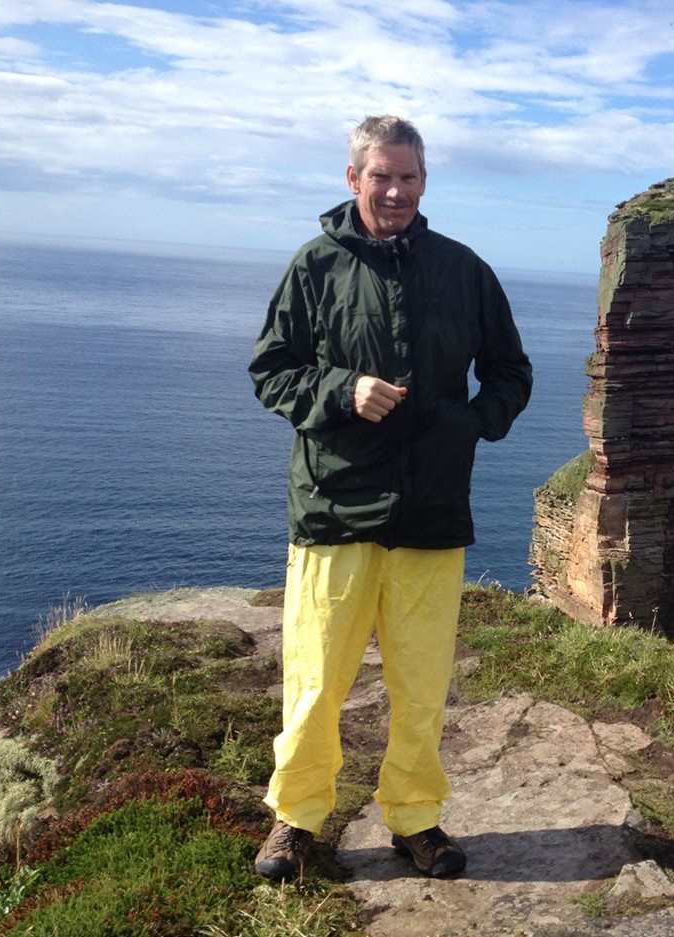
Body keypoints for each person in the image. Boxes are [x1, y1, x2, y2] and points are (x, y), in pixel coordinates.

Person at [248, 115, 532, 883]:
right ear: (353, 179)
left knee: (421, 685)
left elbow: (511, 371)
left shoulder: (464, 270)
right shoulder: (315, 266)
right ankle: (296, 821)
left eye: (409, 176)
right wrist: (343, 388)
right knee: (315, 684)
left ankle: (415, 819)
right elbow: (271, 370)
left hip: (431, 514)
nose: (396, 190)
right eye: (381, 176)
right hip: (333, 511)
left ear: (423, 181)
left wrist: (470, 425)